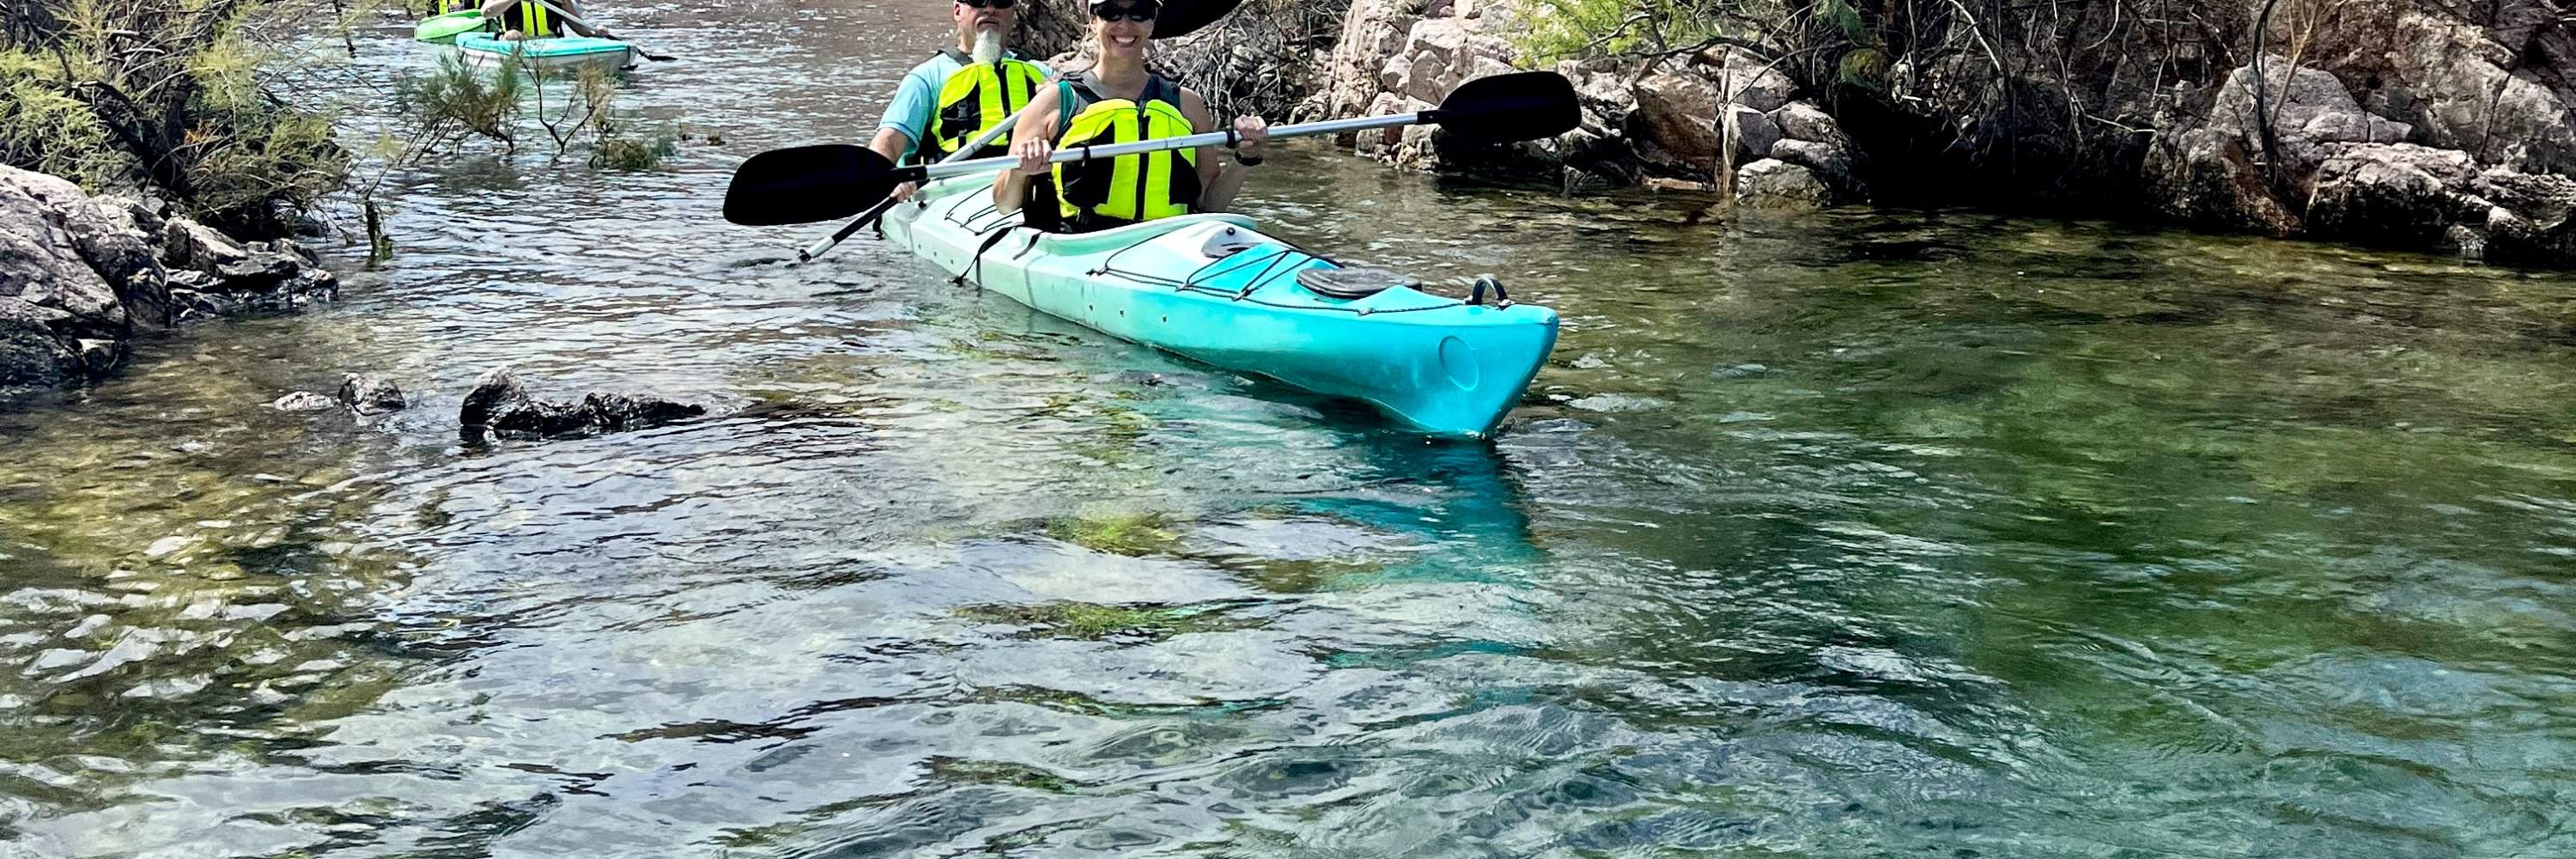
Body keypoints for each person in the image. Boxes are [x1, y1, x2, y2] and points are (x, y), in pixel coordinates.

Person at [992, 0, 1268, 233]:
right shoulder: (1053, 103)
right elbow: (1004, 204)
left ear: (1151, 22)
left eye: (1139, 12)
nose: (1124, 25)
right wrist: (1020, 171)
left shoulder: (1188, 105)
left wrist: (1246, 158)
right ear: (1093, 20)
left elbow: (1209, 203)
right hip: (1081, 247)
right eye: (1110, 12)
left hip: (1165, 245)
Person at [871, 0, 1055, 200]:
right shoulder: (927, 78)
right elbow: (888, 143)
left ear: (1012, 13)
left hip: (1026, 186)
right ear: (958, 11)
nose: (991, 9)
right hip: (950, 193)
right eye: (978, 1)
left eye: (1001, 1)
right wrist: (889, 179)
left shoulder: (1043, 74)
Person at [471, 0, 615, 40]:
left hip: (552, 43)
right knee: (513, 36)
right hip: (515, 41)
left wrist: (595, 32)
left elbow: (578, 26)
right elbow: (486, 12)